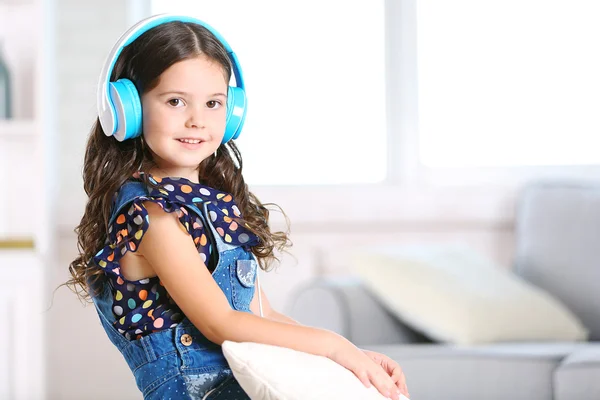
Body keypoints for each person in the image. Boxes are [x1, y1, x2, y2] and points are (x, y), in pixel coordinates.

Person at [64, 13, 409, 400]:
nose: (197, 120)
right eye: (176, 101)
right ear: (129, 109)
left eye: (213, 103)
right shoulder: (151, 219)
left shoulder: (213, 209)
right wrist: (333, 344)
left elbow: (262, 317)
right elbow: (222, 323)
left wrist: (348, 358)